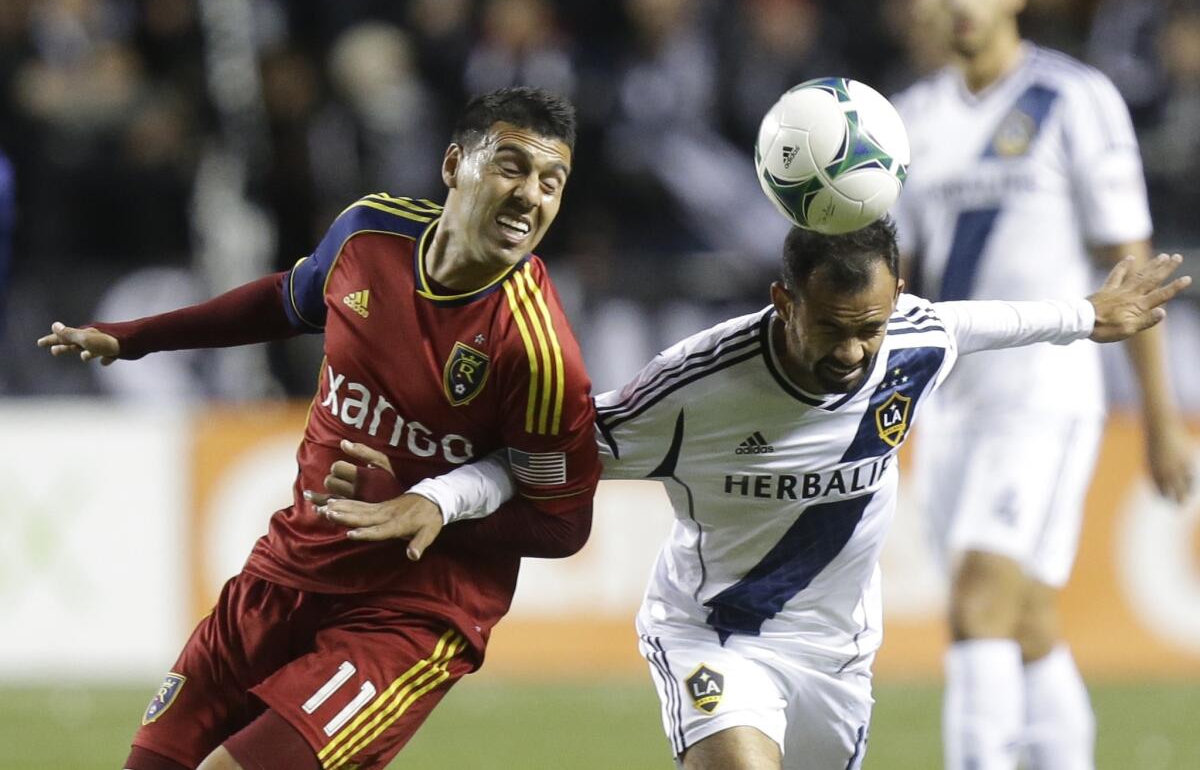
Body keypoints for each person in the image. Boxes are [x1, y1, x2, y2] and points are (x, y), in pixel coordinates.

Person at [312, 218, 1190, 770]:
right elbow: (546, 454)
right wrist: (441, 497)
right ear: (783, 301)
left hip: (837, 655)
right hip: (713, 634)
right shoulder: (695, 389)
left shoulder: (912, 340)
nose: (856, 354)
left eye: (872, 329)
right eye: (834, 331)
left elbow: (990, 321)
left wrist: (1090, 314)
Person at [37, 86, 601, 770]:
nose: (530, 195)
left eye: (552, 182)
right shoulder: (369, 234)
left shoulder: (539, 353)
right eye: (511, 166)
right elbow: (285, 300)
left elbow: (562, 522)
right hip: (286, 570)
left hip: (404, 618)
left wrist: (421, 501)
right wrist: (132, 339)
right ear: (454, 164)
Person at [889, 0, 1195, 767]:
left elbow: (1131, 268)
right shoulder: (908, 118)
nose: (958, 0)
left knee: (977, 601)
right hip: (952, 402)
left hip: (1043, 396)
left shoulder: (1074, 100)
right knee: (1025, 620)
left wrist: (1161, 418)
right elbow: (903, 277)